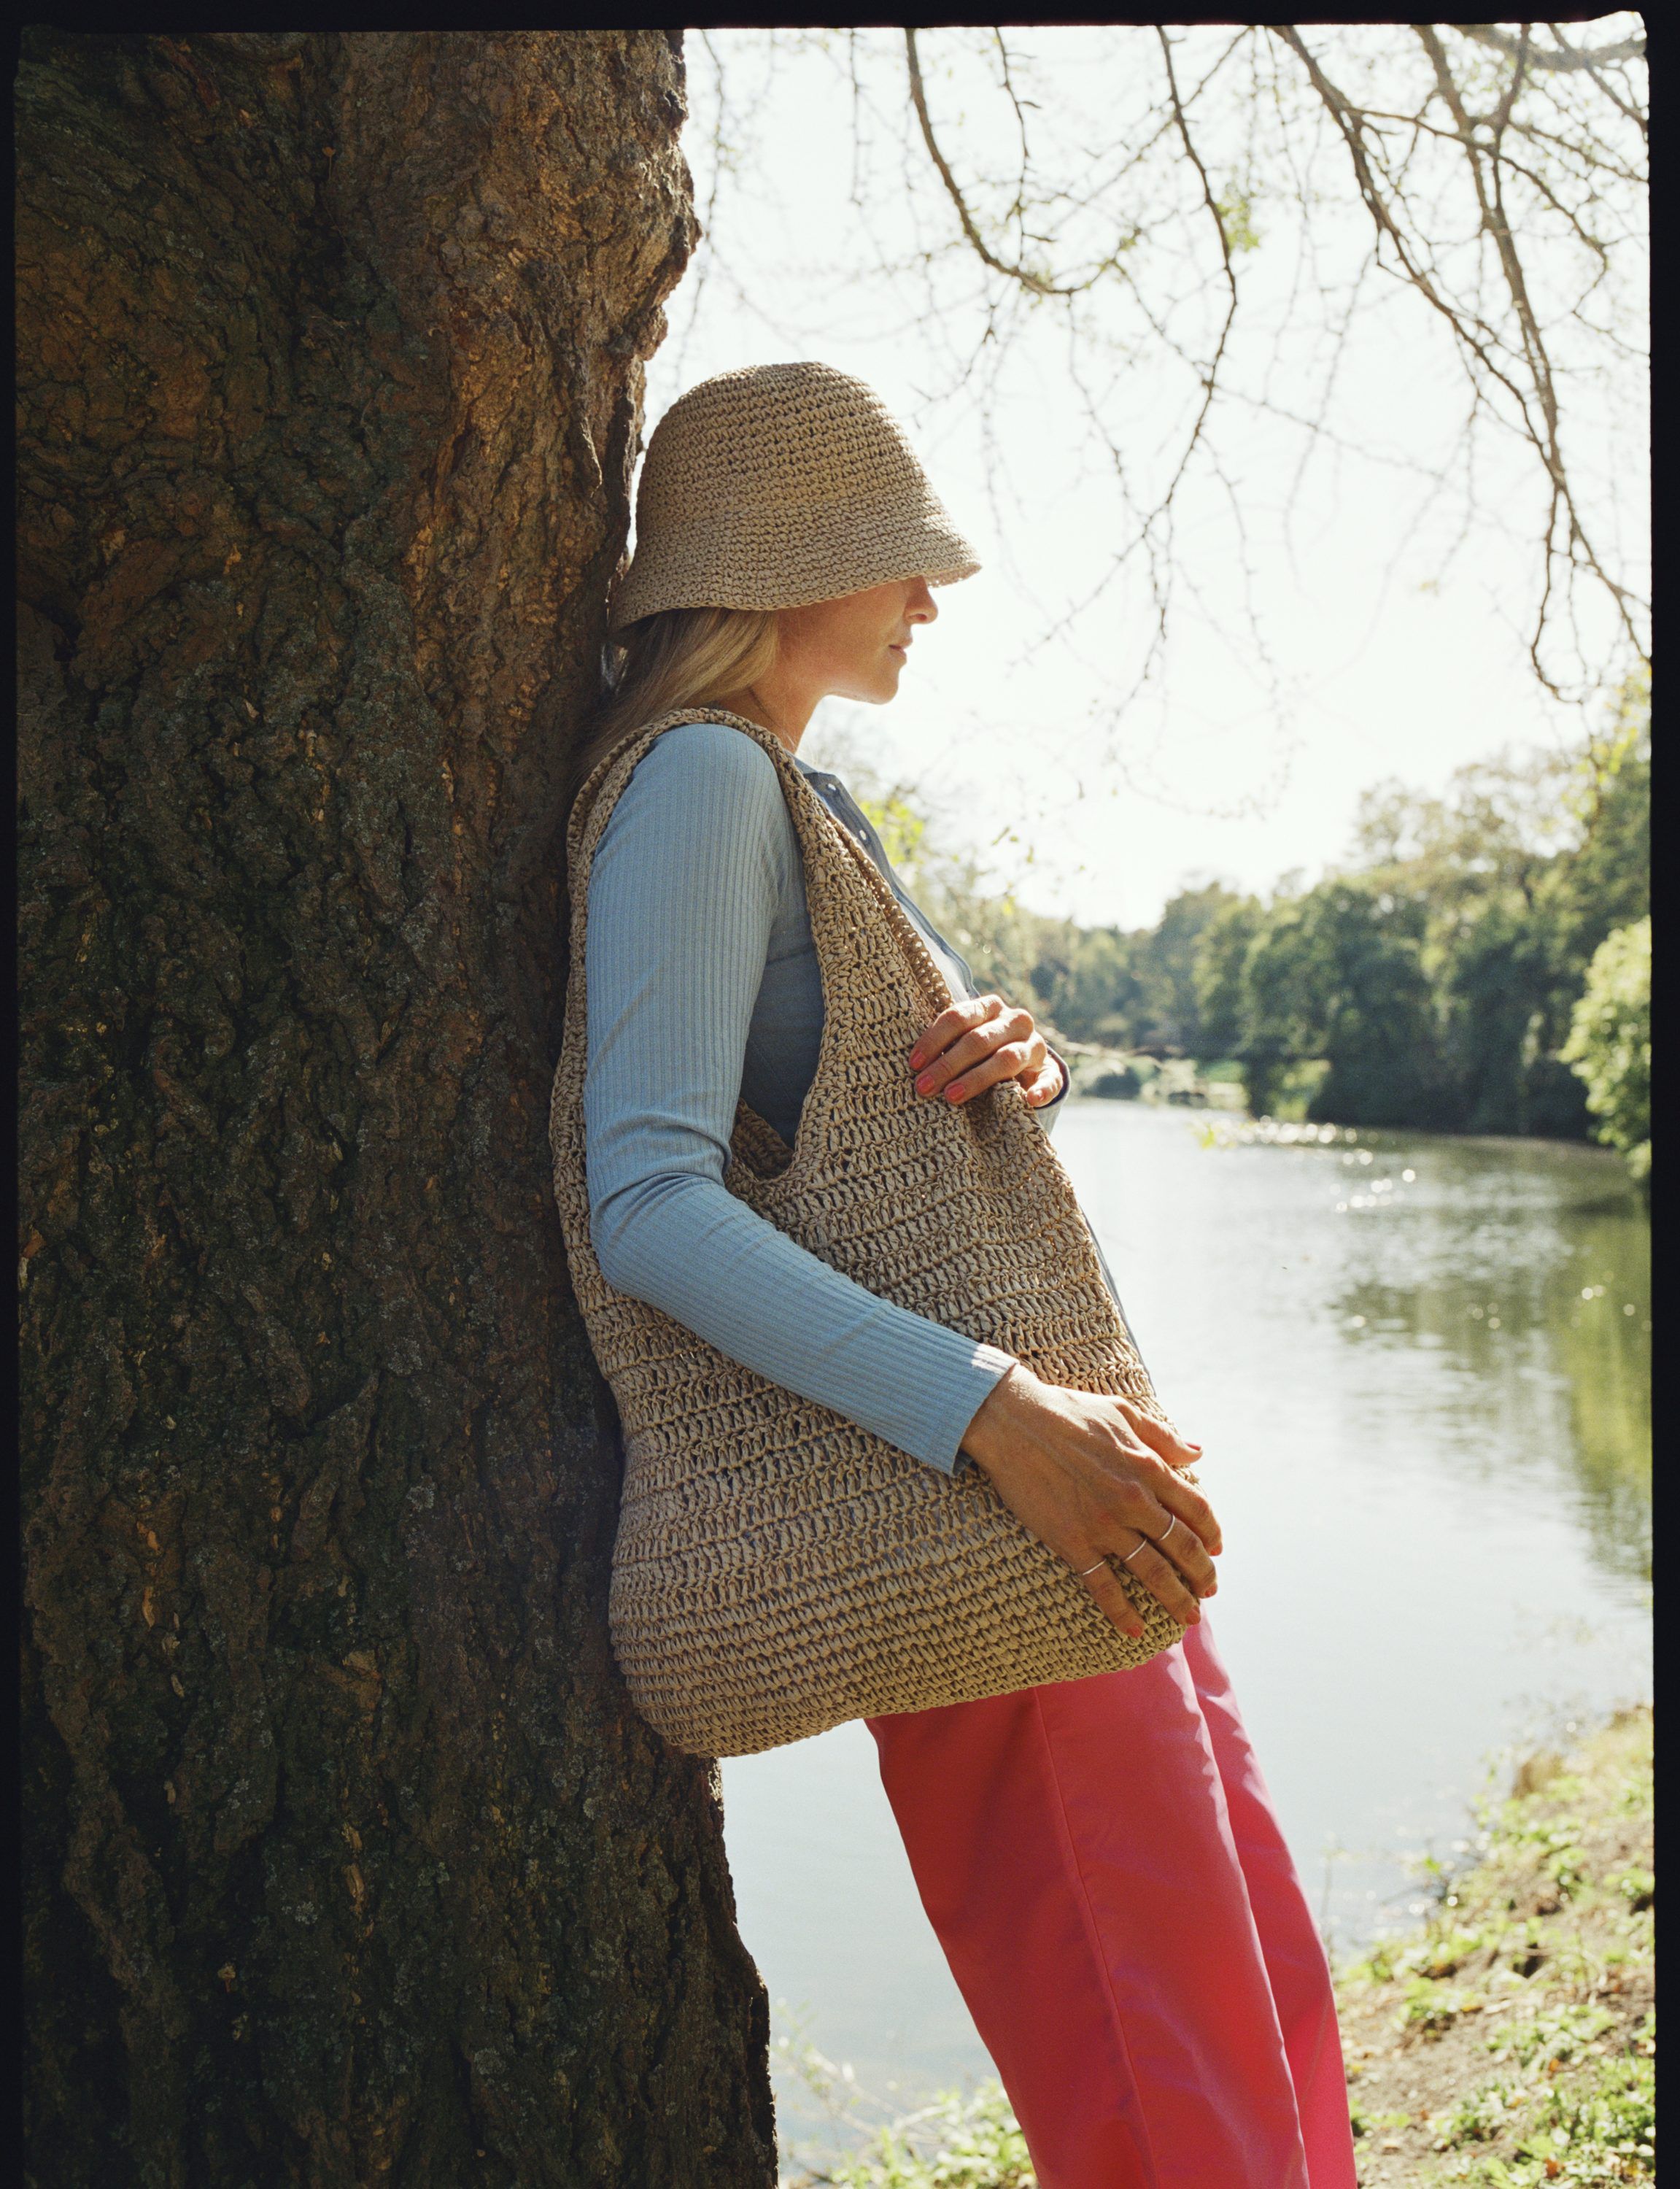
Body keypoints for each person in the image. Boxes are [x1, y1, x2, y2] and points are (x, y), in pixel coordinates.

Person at [571, 361, 1357, 2188]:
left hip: (1038, 1483)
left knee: (1247, 1995)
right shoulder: (696, 779)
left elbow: (842, 1096)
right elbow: (649, 1203)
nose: (932, 598)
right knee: (1158, 2069)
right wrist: (995, 1413)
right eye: (895, 559)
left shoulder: (785, 789)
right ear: (786, 561)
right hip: (983, 1492)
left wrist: (1013, 1050)